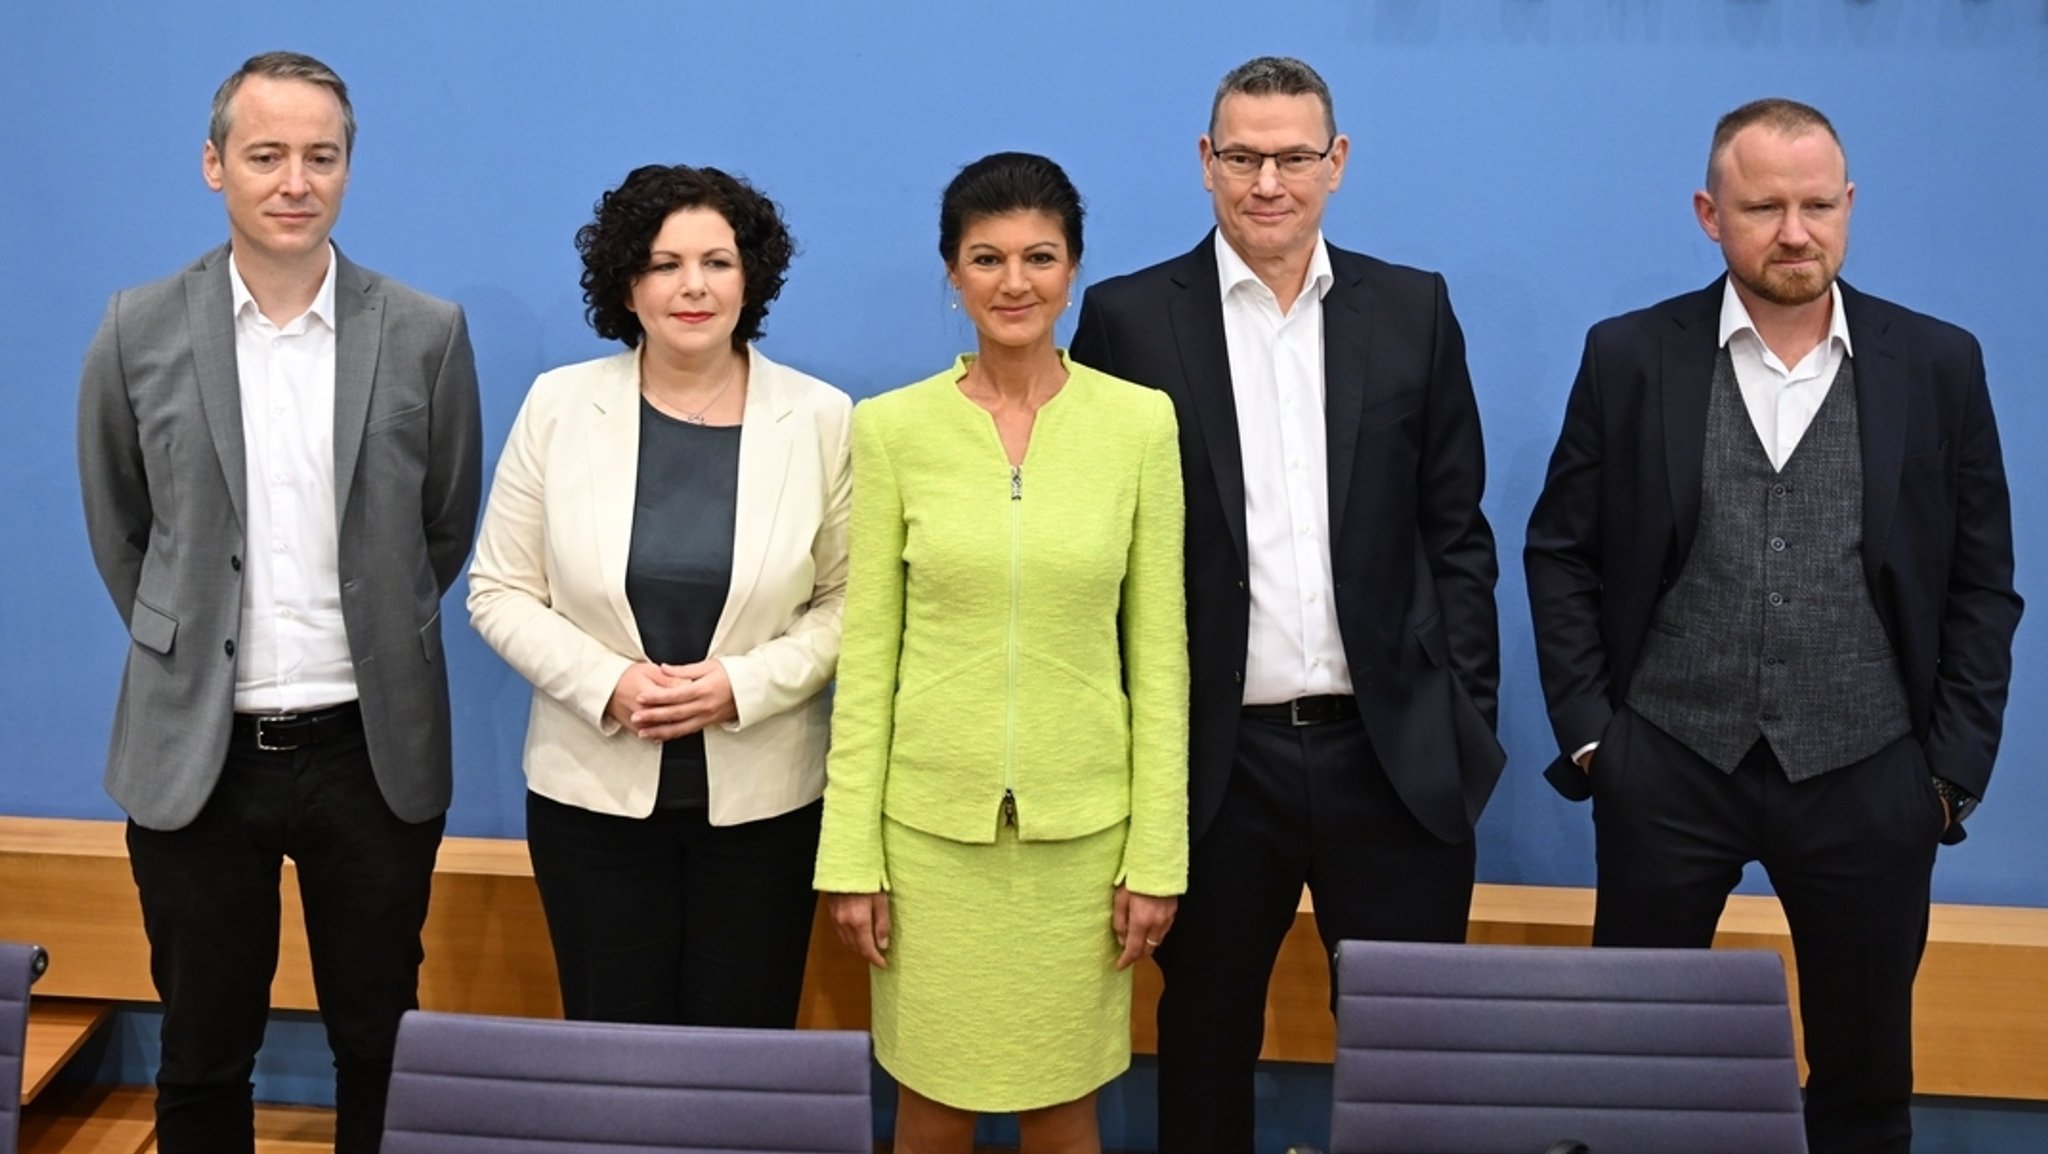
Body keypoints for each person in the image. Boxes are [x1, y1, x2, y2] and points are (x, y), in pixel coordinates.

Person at [1524, 99, 2021, 1154]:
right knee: (1631, 1076)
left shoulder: (1936, 363)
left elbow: (1983, 582)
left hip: (1869, 771)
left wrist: (1947, 772)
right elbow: (1559, 550)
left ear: (1847, 206)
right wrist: (1594, 738)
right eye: (1762, 206)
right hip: (1665, 762)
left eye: (1815, 205)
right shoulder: (1627, 356)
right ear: (1709, 213)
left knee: (1861, 1079)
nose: (1793, 231)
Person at [1070, 56, 1503, 1152]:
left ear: (1336, 163)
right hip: (1218, 763)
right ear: (1205, 164)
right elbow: (1103, 560)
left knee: (1408, 1048)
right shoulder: (1125, 321)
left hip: (1390, 750)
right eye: (1243, 156)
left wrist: (1463, 720)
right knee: (1205, 1035)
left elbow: (1456, 535)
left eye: (1293, 156)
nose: (1268, 181)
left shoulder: (1412, 308)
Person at [74, 51, 482, 1154]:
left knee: (378, 1043)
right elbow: (123, 531)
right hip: (197, 757)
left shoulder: (425, 331)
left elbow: (443, 527)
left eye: (320, 155)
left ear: (347, 168)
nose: (294, 180)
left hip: (370, 747)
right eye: (266, 155)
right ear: (216, 166)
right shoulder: (136, 327)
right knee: (203, 1052)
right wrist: (191, 647)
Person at [815, 151, 1187, 1154]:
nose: (1013, 282)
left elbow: (1159, 661)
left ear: (1072, 268)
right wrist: (851, 855)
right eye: (986, 258)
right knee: (929, 1107)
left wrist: (1156, 853)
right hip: (929, 843)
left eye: (1038, 256)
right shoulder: (890, 429)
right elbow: (868, 659)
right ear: (951, 272)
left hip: (1083, 842)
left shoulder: (1138, 424)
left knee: (1064, 1107)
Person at [468, 164, 850, 1029]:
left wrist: (742, 686)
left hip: (765, 806)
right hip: (590, 806)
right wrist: (607, 684)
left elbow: (849, 603)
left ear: (750, 278)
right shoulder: (560, 406)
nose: (693, 287)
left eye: (717, 262)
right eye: (664, 263)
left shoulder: (821, 418)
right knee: (614, 1051)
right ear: (626, 283)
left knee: (740, 1051)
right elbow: (498, 588)